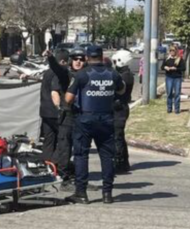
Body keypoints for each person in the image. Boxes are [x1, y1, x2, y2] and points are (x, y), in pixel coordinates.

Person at [65, 45, 126, 205]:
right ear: (101, 56)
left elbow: (69, 98)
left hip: (85, 119)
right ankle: (107, 193)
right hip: (106, 119)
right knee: (107, 156)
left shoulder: (82, 74)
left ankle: (81, 193)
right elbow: (121, 90)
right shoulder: (112, 73)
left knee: (81, 155)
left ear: (86, 57)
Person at [46, 47, 87, 187]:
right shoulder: (66, 74)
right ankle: (64, 178)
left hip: (83, 115)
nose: (78, 62)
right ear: (70, 61)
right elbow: (58, 69)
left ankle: (80, 177)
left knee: (81, 149)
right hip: (68, 115)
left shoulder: (88, 74)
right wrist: (51, 58)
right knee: (65, 147)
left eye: (81, 59)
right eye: (75, 59)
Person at [39, 49, 68, 173]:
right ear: (63, 61)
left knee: (48, 141)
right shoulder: (60, 73)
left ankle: (46, 166)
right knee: (62, 142)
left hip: (45, 111)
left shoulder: (47, 73)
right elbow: (55, 92)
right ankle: (55, 166)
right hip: (56, 112)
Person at [111, 50, 135, 174]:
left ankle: (120, 162)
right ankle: (123, 162)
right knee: (118, 136)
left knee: (117, 136)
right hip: (118, 108)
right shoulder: (121, 73)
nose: (114, 63)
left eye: (115, 61)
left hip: (120, 108)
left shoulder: (125, 76)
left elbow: (117, 88)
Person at [162, 46, 185, 114]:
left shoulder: (179, 59)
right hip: (169, 77)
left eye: (173, 50)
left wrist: (176, 69)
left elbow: (183, 68)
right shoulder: (167, 59)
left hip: (177, 78)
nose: (172, 52)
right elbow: (162, 67)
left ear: (176, 51)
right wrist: (165, 67)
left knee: (177, 93)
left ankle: (177, 109)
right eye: (171, 50)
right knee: (169, 93)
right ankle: (169, 108)